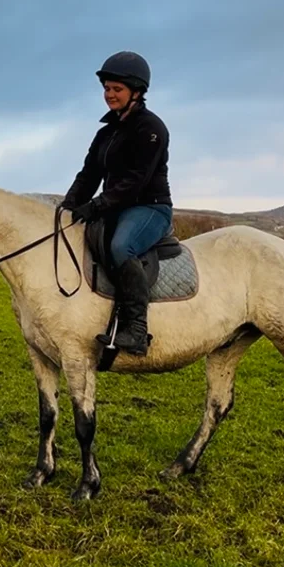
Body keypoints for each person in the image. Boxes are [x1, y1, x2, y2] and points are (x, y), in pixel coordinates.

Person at [59, 51, 173, 356]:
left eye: (117, 89)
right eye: (107, 88)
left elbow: (134, 182)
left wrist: (96, 206)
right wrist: (68, 207)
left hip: (149, 207)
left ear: (136, 92)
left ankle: (136, 329)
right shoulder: (105, 133)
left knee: (122, 246)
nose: (109, 95)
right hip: (116, 207)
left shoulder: (151, 129)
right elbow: (89, 175)